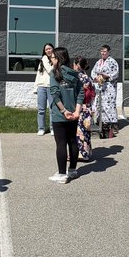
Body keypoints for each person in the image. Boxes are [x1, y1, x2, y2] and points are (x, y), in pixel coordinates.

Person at [47, 47, 84, 185]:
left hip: (60, 115)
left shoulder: (54, 73)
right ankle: (72, 170)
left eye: (53, 57)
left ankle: (62, 174)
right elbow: (81, 93)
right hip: (73, 114)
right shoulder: (74, 74)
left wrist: (64, 111)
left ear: (58, 58)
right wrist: (76, 111)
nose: (51, 59)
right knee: (72, 141)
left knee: (61, 143)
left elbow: (55, 94)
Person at [91, 45, 120, 138]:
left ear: (109, 52)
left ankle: (112, 125)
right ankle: (102, 123)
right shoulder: (98, 62)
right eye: (101, 51)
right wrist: (95, 77)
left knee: (109, 105)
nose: (103, 53)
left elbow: (115, 73)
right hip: (100, 86)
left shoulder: (112, 62)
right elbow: (93, 71)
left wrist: (106, 76)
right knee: (100, 105)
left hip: (109, 87)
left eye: (105, 51)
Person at [72, 56, 95, 162]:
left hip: (80, 106)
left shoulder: (77, 77)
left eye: (74, 64)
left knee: (79, 130)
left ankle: (81, 154)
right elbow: (93, 93)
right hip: (88, 106)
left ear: (77, 65)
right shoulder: (87, 77)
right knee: (86, 131)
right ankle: (88, 152)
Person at [34, 43, 56, 136]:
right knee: (41, 109)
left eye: (49, 48)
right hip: (41, 87)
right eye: (46, 49)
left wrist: (49, 61)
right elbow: (38, 75)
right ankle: (41, 128)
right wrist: (36, 87)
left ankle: (52, 128)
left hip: (51, 86)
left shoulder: (55, 60)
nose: (48, 50)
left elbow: (51, 72)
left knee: (52, 109)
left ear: (52, 49)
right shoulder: (43, 60)